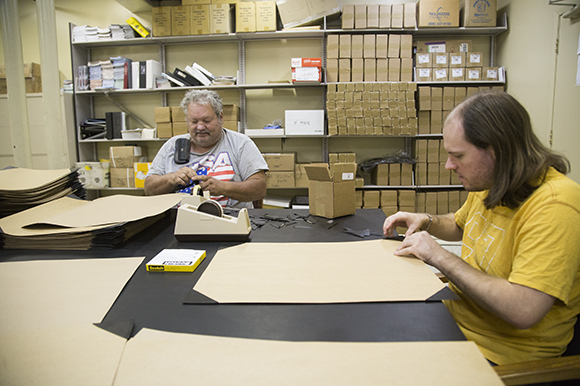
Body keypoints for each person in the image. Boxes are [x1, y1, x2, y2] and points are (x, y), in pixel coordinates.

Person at [383, 91, 580, 365]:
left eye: (458, 156)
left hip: (499, 356)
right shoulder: (495, 181)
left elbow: (523, 309)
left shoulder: (557, 205)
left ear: (496, 151)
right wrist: (426, 220)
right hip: (452, 323)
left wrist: (439, 256)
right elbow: (461, 225)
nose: (448, 165)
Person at [144, 89, 268, 208]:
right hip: (180, 221)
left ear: (221, 117)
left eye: (206, 120)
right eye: (194, 121)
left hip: (230, 221)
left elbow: (259, 188)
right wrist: (171, 179)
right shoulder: (171, 146)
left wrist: (222, 188)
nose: (200, 127)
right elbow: (149, 189)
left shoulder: (240, 144)